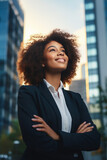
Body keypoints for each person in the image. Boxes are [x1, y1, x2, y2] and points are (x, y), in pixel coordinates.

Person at [17, 29, 100, 160]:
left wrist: (57, 136)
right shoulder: (28, 93)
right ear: (41, 61)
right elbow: (37, 143)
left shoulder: (75, 98)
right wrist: (75, 140)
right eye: (52, 50)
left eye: (63, 50)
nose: (61, 52)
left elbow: (94, 140)